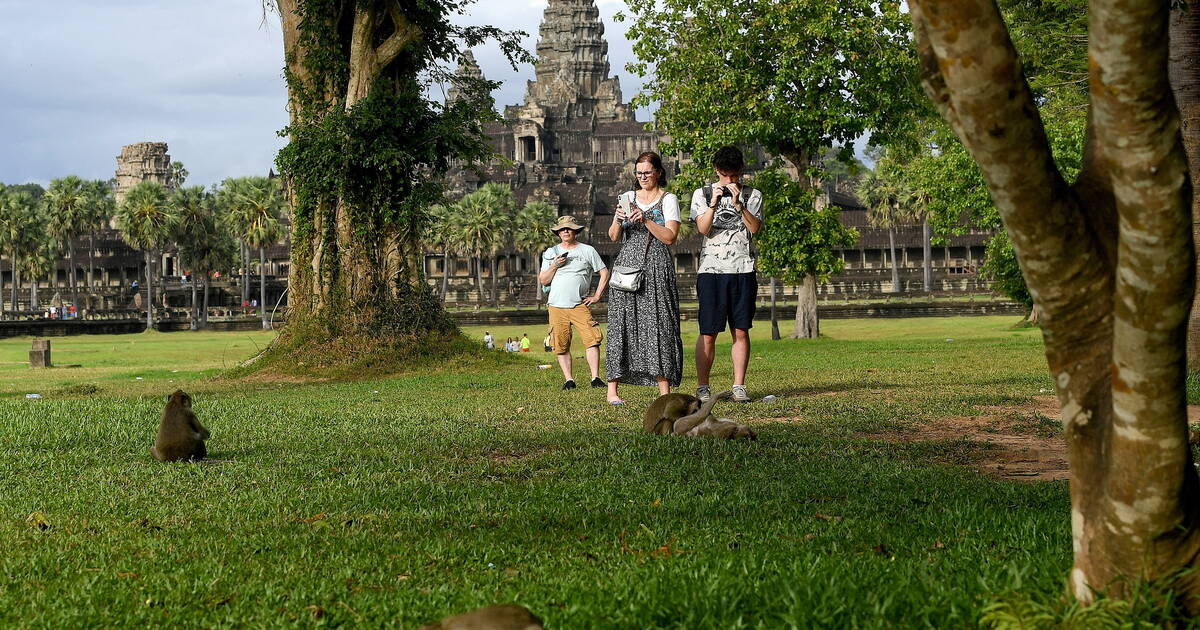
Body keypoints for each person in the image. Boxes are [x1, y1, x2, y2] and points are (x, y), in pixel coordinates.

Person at [604, 151, 683, 405]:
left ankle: (664, 392)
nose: (643, 177)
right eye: (638, 173)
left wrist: (646, 218)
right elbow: (614, 237)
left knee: (659, 324)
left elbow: (670, 237)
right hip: (627, 265)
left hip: (657, 266)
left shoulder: (668, 199)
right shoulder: (627, 197)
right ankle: (613, 391)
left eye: (647, 172)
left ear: (658, 172)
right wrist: (618, 219)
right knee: (620, 324)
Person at [689, 145, 763, 403]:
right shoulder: (702, 193)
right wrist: (713, 203)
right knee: (708, 331)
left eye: (733, 175)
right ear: (716, 171)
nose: (729, 180)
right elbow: (702, 228)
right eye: (724, 174)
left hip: (743, 269)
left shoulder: (753, 195)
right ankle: (703, 386)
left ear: (741, 171)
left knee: (741, 330)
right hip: (711, 270)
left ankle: (739, 386)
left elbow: (755, 229)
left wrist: (739, 205)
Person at [538, 215, 609, 391]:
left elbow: (604, 272)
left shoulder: (587, 250)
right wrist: (554, 265)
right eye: (562, 229)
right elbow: (543, 280)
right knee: (560, 344)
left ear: (575, 231)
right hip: (556, 305)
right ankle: (569, 379)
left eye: (569, 228)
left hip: (579, 304)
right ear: (558, 233)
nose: (566, 231)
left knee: (592, 339)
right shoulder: (550, 253)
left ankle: (595, 377)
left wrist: (597, 295)